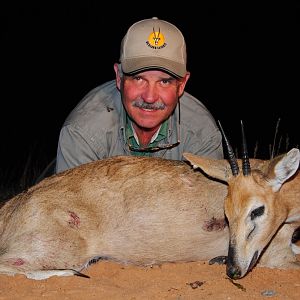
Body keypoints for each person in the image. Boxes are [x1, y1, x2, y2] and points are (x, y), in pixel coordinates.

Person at [55, 17, 223, 174]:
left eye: (164, 82)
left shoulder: (203, 135)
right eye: (138, 78)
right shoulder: (83, 133)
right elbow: (74, 205)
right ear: (119, 77)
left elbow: (203, 205)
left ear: (182, 85)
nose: (149, 98)